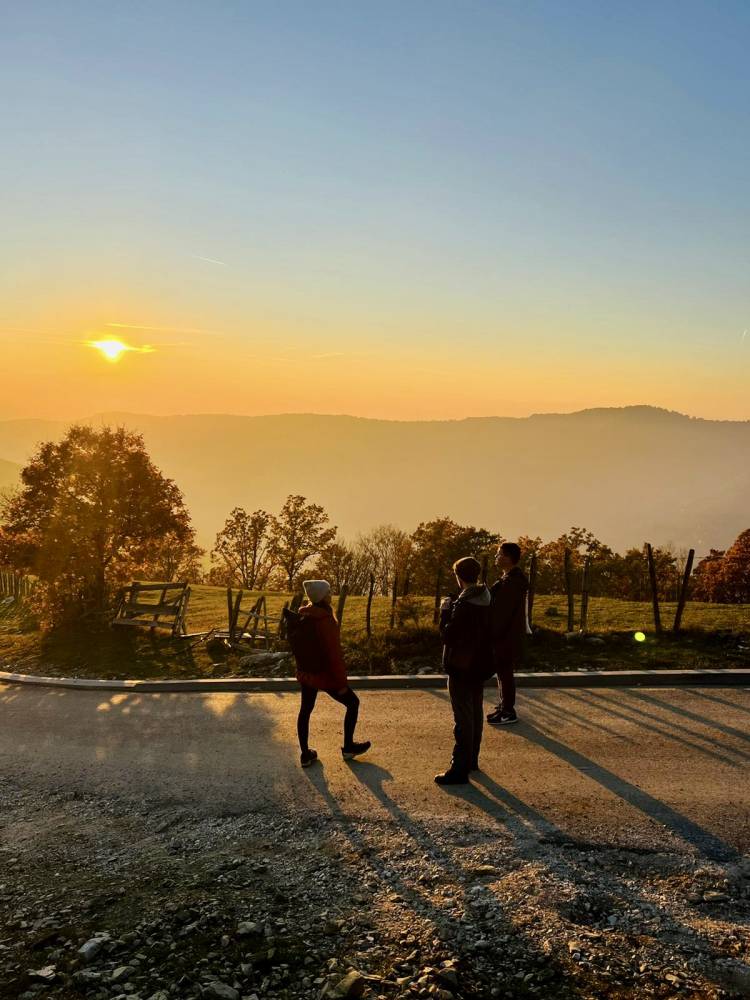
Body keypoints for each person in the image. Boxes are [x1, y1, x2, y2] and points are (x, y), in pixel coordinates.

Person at [294, 579, 371, 768]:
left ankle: (305, 754)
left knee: (305, 710)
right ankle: (348, 748)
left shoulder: (304, 615)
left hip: (307, 672)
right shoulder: (325, 620)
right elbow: (333, 655)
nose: (331, 595)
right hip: (325, 674)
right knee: (353, 703)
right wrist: (341, 684)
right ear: (322, 597)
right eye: (328, 592)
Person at [435, 556, 493, 785]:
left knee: (463, 717)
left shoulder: (464, 605)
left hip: (461, 664)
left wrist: (445, 612)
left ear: (458, 576)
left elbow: (448, 635)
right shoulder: (485, 598)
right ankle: (472, 759)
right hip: (480, 663)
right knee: (475, 712)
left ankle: (459, 768)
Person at [487, 542, 529, 726]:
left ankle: (508, 710)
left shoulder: (511, 583)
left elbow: (501, 613)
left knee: (505, 673)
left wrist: (491, 633)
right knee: (503, 673)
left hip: (506, 636)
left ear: (508, 557)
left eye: (499, 554)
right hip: (506, 635)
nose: (496, 557)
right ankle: (504, 706)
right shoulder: (508, 580)